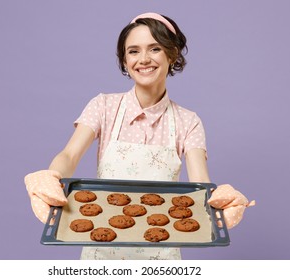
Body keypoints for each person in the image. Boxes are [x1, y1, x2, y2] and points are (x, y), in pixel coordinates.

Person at [25, 12, 254, 260]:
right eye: (133, 51)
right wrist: (52, 177)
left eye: (154, 49)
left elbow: (200, 186)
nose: (143, 59)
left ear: (172, 54)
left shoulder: (189, 121)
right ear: (124, 61)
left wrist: (221, 201)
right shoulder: (103, 106)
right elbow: (69, 154)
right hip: (101, 254)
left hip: (161, 256)